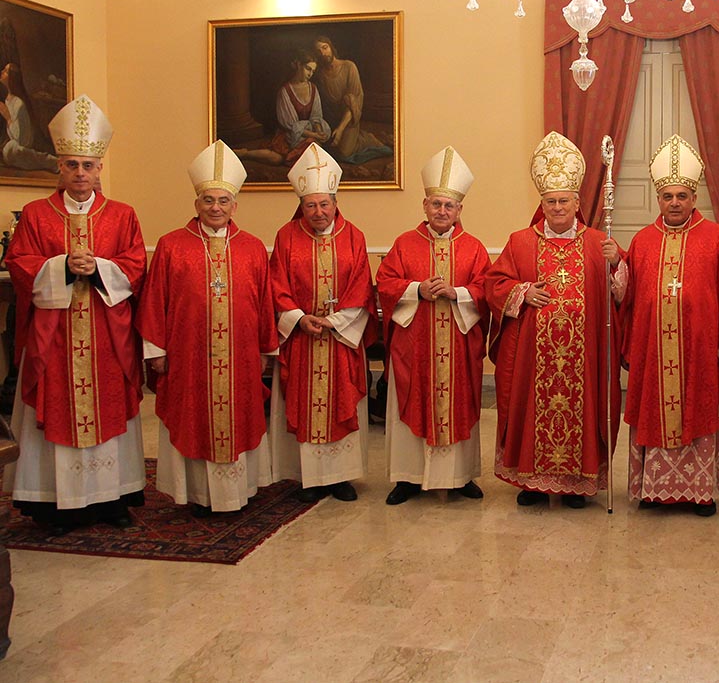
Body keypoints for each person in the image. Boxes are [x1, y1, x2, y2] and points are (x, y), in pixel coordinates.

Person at [3, 94, 147, 535]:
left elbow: (135, 265)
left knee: (110, 409)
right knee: (57, 408)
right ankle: (57, 505)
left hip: (105, 335)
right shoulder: (35, 214)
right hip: (56, 338)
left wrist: (99, 267)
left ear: (99, 168)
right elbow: (19, 262)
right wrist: (63, 266)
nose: (80, 173)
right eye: (71, 165)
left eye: (87, 165)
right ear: (59, 168)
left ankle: (114, 499)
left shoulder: (122, 215)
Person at [138, 141, 278, 516]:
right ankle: (197, 493)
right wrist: (156, 352)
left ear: (235, 205)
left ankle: (240, 491)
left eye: (223, 201)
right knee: (192, 418)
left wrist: (266, 350)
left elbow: (264, 302)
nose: (216, 207)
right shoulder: (171, 246)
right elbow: (154, 300)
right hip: (188, 356)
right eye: (208, 200)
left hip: (240, 357)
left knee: (240, 415)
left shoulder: (252, 248)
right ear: (197, 203)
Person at [485, 132, 623, 509]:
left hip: (583, 357)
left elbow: (621, 292)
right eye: (551, 201)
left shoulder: (598, 242)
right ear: (542, 203)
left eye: (564, 201)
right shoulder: (520, 242)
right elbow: (495, 283)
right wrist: (522, 292)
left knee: (583, 410)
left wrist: (617, 264)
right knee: (531, 408)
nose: (558, 207)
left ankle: (578, 481)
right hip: (534, 359)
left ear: (577, 203)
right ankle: (532, 482)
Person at [621, 135, 719, 517]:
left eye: (682, 196)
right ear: (658, 199)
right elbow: (629, 295)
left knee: (700, 410)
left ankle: (700, 493)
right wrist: (613, 269)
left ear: (694, 197)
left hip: (700, 351)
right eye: (668, 196)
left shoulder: (718, 239)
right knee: (654, 410)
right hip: (654, 351)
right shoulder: (642, 241)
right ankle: (653, 490)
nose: (674, 202)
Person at [377, 146, 490, 505]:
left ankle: (460, 477)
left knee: (459, 404)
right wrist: (417, 290)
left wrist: (458, 293)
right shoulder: (404, 244)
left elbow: (486, 290)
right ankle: (407, 477)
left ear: (460, 210)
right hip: (415, 347)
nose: (442, 211)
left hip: (458, 349)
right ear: (424, 205)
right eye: (436, 204)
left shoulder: (474, 248)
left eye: (449, 205)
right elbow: (385, 284)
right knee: (411, 402)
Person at [269, 144, 375, 503]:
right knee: (303, 404)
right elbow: (276, 284)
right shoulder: (286, 236)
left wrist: (335, 322)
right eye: (311, 205)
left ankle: (340, 476)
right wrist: (299, 319)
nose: (318, 212)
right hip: (301, 339)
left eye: (324, 204)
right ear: (301, 205)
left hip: (340, 339)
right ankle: (308, 477)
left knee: (341, 402)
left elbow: (362, 286)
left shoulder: (354, 236)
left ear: (335, 202)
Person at [236, 49, 330, 167]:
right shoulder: (285, 91)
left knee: (316, 151)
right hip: (289, 135)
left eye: (313, 71)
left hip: (309, 135)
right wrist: (314, 135)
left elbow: (316, 117)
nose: (310, 74)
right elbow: (290, 125)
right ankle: (245, 153)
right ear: (298, 65)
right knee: (276, 159)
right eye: (308, 68)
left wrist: (318, 131)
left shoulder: (313, 88)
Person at [312, 36, 392, 163]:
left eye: (325, 48)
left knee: (344, 154)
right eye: (318, 51)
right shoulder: (320, 74)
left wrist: (340, 130)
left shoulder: (349, 67)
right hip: (333, 118)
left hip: (350, 117)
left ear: (331, 47)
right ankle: (357, 136)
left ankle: (366, 139)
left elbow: (353, 102)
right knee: (327, 150)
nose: (323, 53)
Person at [0, 63, 56, 173]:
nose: (2, 72)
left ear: (12, 78)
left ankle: (50, 161)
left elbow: (22, 140)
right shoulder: (7, 100)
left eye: (6, 71)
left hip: (21, 146)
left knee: (11, 150)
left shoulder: (19, 103)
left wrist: (8, 118)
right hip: (11, 145)